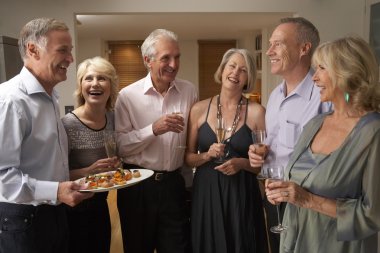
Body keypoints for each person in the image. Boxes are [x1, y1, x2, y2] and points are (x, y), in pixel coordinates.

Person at [266, 36, 380, 253]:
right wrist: (282, 192)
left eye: (321, 69)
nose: (314, 78)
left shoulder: (373, 132)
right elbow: (295, 181)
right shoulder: (316, 123)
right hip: (295, 240)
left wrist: (308, 199)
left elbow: (373, 214)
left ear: (346, 73)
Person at [0, 18, 93, 253]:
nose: (71, 59)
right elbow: (2, 177)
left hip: (54, 212)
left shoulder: (52, 97)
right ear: (33, 49)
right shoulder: (11, 100)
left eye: (70, 51)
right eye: (62, 50)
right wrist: (56, 191)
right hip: (24, 220)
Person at [248, 17, 331, 253]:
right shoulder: (274, 95)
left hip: (307, 202)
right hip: (274, 196)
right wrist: (259, 152)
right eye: (269, 44)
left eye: (278, 44)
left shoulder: (325, 96)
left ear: (304, 48)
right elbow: (272, 145)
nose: (268, 51)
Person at [115, 28, 198, 253]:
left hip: (174, 185)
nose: (173, 64)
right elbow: (120, 146)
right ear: (147, 61)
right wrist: (153, 129)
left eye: (177, 56)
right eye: (166, 58)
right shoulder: (127, 96)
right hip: (136, 186)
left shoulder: (189, 91)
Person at [185, 48, 268, 253]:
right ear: (222, 70)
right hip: (206, 191)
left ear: (248, 78)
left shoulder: (257, 112)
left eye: (243, 70)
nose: (235, 73)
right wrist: (206, 155)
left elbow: (263, 167)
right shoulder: (198, 109)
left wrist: (241, 163)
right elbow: (188, 158)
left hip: (242, 193)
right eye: (231, 66)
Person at [61, 56, 120, 253]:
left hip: (101, 202)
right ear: (80, 85)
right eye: (88, 78)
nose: (95, 83)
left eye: (102, 78)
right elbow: (56, 176)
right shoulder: (67, 124)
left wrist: (116, 166)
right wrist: (89, 170)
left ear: (111, 86)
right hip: (73, 207)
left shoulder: (113, 118)